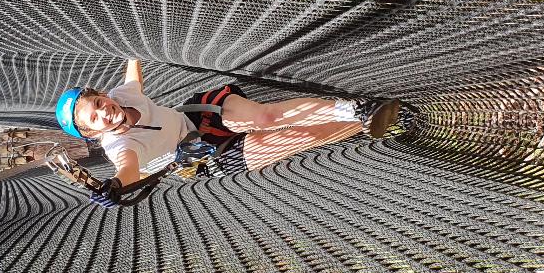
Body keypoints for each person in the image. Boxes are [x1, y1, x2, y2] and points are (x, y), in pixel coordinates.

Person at [55, 58, 414, 206]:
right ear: (91, 134)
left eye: (99, 103)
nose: (105, 113)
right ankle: (370, 123)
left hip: (202, 117)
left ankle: (354, 108)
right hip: (207, 158)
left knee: (265, 119)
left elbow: (132, 73)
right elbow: (128, 167)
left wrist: (132, 47)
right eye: (95, 118)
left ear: (103, 96)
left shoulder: (122, 96)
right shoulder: (120, 145)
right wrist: (115, 187)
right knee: (294, 139)